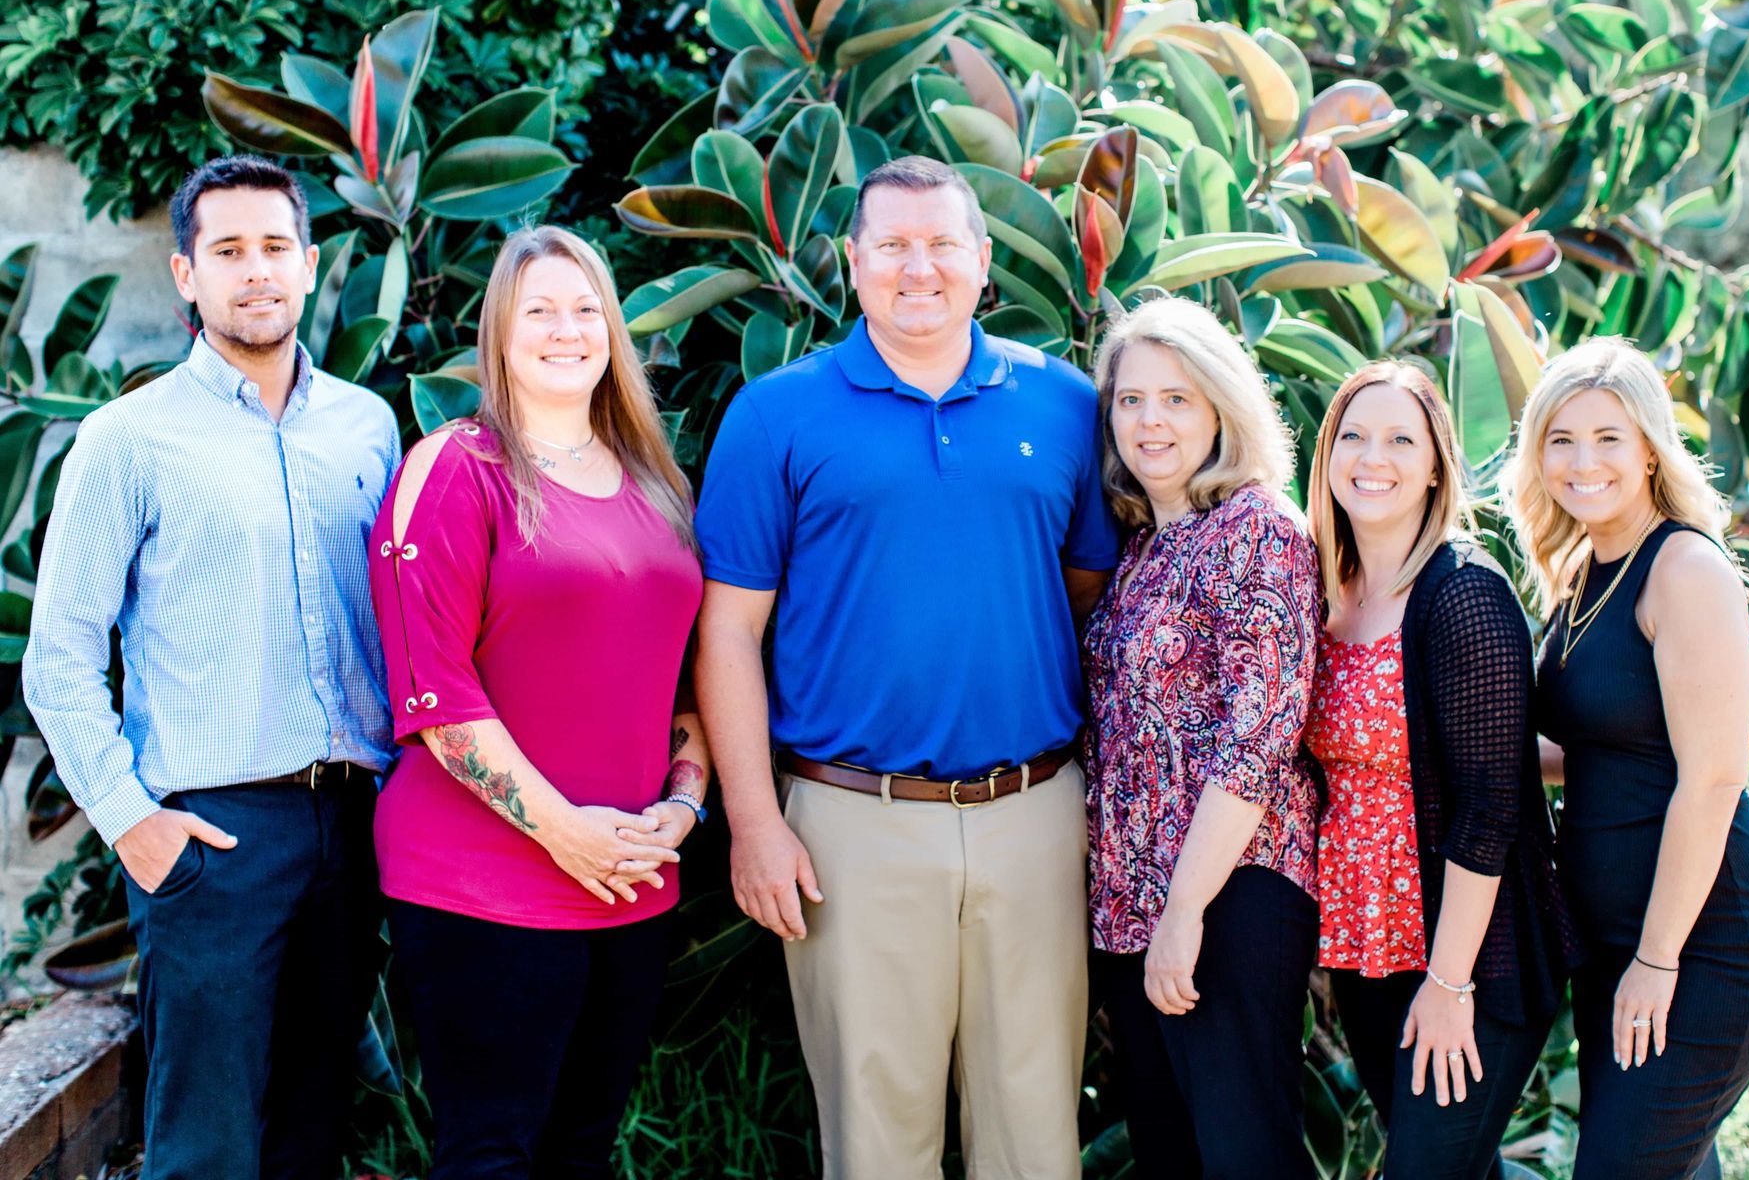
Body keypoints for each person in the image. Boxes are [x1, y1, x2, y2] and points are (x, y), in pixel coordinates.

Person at [694, 155, 1118, 1180]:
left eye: (941, 244)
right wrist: (753, 821)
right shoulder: (775, 414)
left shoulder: (1062, 402)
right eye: (891, 244)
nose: (916, 267)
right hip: (852, 823)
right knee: (878, 1145)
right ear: (852, 262)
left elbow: (1085, 592)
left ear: (982, 260)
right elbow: (727, 633)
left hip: (1035, 812)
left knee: (1036, 1140)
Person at [22, 156, 398, 1179]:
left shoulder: (368, 427)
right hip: (213, 835)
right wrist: (131, 823)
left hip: (355, 821)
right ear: (187, 274)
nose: (256, 270)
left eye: (275, 247)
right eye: (227, 250)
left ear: (312, 265)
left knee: (313, 1123)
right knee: (205, 1146)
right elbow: (58, 656)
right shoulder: (128, 440)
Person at [366, 225, 706, 1177]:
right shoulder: (456, 470)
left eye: (586, 307)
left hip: (631, 878)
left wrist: (682, 807)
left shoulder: (656, 482)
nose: (567, 329)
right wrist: (562, 830)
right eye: (539, 311)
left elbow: (685, 683)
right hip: (483, 881)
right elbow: (434, 693)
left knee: (581, 1153)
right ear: (499, 335)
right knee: (490, 1157)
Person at [1507, 338, 1749, 1179]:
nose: (1582, 460)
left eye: (1607, 437)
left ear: (1648, 449)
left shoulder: (1684, 567)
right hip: (1615, 939)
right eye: (1560, 439)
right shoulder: (1584, 574)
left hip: (1707, 944)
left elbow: (1711, 781)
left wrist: (1657, 957)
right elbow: (1601, 750)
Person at [1303, 362, 1578, 1178]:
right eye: (1352, 435)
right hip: (1365, 942)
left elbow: (1491, 808)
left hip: (1467, 953)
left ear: (1435, 465)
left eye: (1399, 438)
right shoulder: (1328, 587)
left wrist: (1451, 984)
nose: (1371, 457)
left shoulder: (1463, 595)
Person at [1081, 298, 1321, 1179]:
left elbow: (1256, 742)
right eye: (1131, 400)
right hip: (1131, 904)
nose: (1151, 421)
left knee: (1244, 1153)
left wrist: (1183, 914)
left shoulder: (1259, 532)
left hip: (1229, 894)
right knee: (1171, 1156)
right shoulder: (1144, 546)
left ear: (1222, 407)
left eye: (1177, 399)